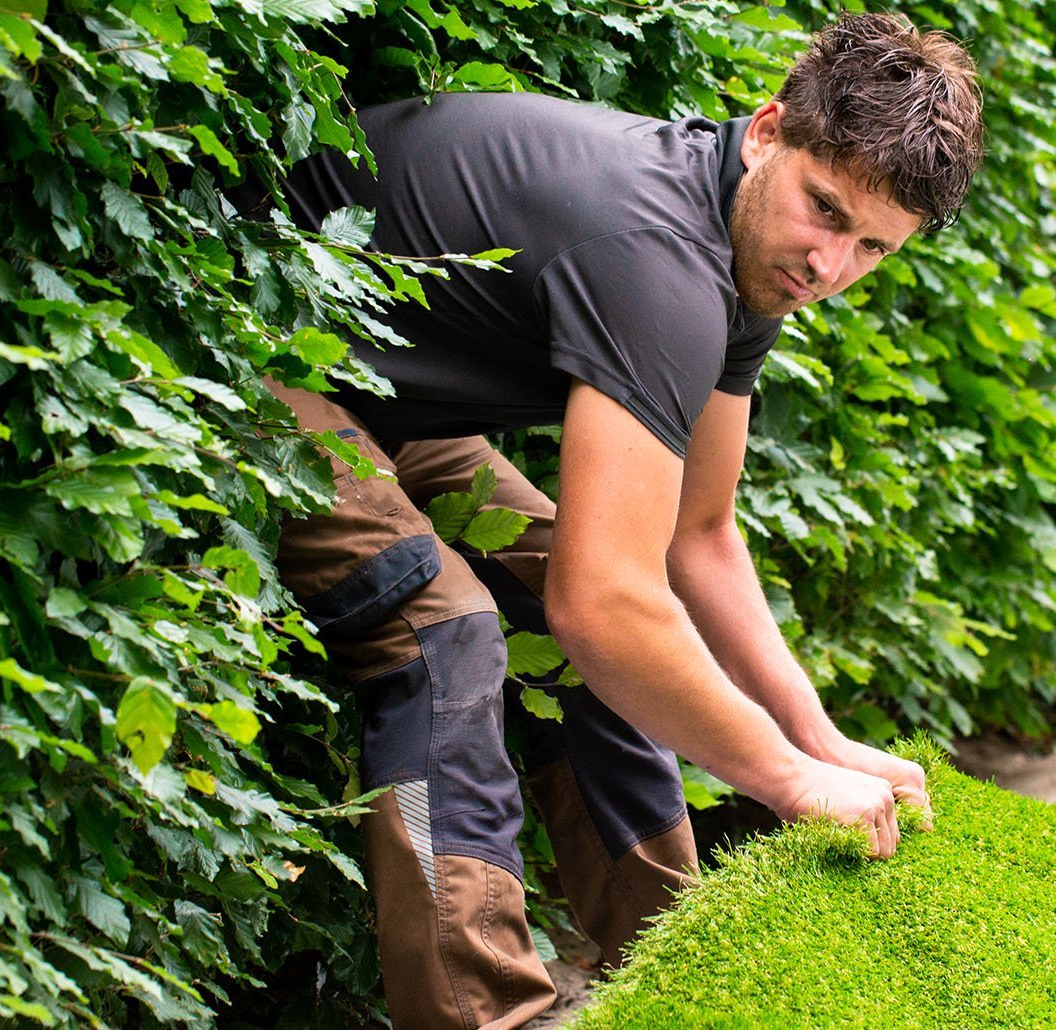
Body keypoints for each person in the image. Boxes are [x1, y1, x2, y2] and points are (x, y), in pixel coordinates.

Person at [268, 13, 984, 1028]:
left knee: (582, 607)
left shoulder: (750, 257)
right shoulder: (660, 257)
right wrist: (784, 780)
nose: (831, 266)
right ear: (766, 132)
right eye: (825, 211)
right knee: (445, 629)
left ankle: (685, 981)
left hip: (377, 393)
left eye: (872, 245)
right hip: (243, 342)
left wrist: (817, 740)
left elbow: (698, 533)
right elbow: (602, 603)